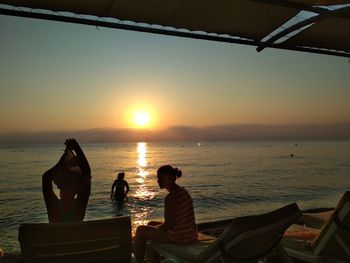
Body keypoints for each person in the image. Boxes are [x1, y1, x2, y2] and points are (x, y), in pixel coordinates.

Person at [133, 165, 198, 263]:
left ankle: (139, 261)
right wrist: (153, 230)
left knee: (140, 230)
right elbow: (173, 221)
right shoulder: (182, 191)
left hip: (180, 236)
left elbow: (168, 225)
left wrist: (148, 233)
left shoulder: (171, 198)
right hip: (190, 233)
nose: (158, 181)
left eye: (160, 177)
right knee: (151, 224)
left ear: (170, 177)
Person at [42, 138, 91, 222]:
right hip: (74, 235)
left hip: (57, 235)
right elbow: (87, 175)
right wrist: (77, 148)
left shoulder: (54, 207)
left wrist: (62, 163)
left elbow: (46, 177)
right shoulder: (79, 207)